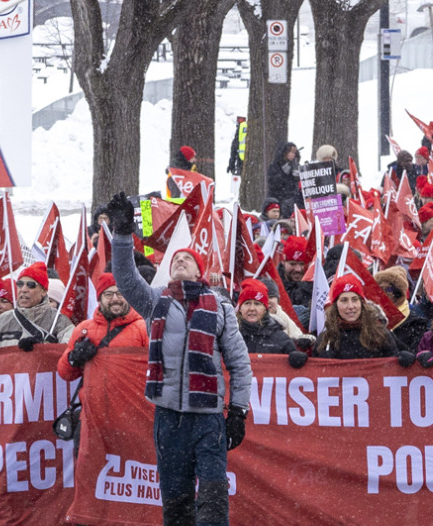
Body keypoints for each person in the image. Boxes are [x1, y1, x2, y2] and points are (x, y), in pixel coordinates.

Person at [103, 191, 254, 526]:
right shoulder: (155, 301)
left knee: (213, 505)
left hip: (209, 420)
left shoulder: (220, 306)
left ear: (200, 272)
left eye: (187, 260)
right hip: (168, 419)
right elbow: (126, 278)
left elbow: (240, 365)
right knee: (176, 505)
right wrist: (123, 232)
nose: (179, 262)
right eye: (175, 261)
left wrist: (239, 411)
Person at [59, 273, 149, 381]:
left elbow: (158, 368)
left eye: (120, 293)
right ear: (99, 299)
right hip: (92, 398)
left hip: (132, 397)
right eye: (109, 294)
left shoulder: (142, 328)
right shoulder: (84, 329)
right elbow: (65, 374)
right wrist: (73, 358)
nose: (115, 299)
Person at [314, 274, 401, 360]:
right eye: (344, 300)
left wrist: (404, 358)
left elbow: (395, 366)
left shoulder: (380, 334)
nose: (351, 306)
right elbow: (313, 369)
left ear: (362, 303)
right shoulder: (325, 340)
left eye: (355, 300)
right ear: (335, 306)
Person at [0, 262, 67, 350]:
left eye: (30, 285)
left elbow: (68, 355)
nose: (24, 290)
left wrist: (43, 348)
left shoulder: (60, 322)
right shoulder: (0, 322)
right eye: (20, 284)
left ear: (43, 291)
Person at [235, 280, 299, 359]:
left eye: (257, 304)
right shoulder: (230, 336)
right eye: (247, 303)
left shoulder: (279, 338)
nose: (252, 308)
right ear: (240, 308)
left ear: (265, 309)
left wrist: (298, 358)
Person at [266, 141, 304, 215]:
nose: (293, 154)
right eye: (291, 152)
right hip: (277, 198)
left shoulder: (297, 167)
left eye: (294, 152)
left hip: (292, 201)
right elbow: (273, 183)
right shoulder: (275, 166)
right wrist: (284, 174)